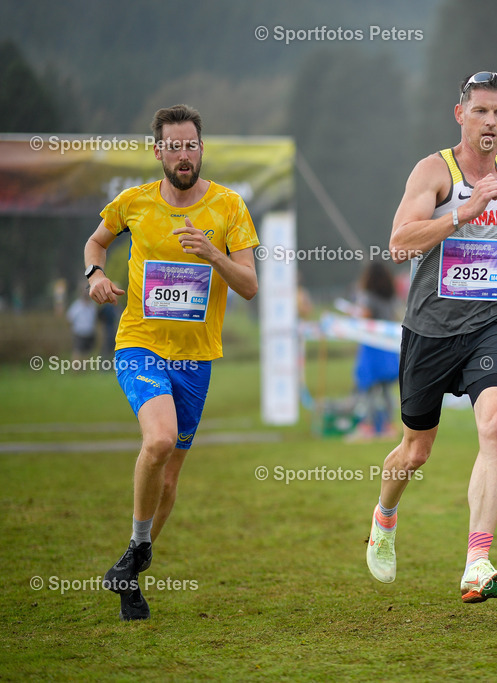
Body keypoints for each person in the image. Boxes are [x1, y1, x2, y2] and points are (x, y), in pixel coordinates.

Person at [365, 71, 497, 603]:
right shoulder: (435, 171)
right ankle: (384, 517)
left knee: (495, 428)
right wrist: (459, 214)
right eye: (480, 112)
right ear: (460, 114)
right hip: (428, 328)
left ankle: (477, 561)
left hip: (488, 323)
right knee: (415, 451)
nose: (489, 122)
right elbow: (399, 242)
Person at [86, 104, 259, 620]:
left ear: (201, 149)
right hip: (139, 343)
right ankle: (140, 553)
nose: (184, 155)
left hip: (195, 359)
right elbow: (96, 240)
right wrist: (94, 274)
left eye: (191, 145)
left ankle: (130, 569)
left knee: (168, 481)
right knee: (158, 440)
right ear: (157, 151)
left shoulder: (229, 208)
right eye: (174, 146)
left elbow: (249, 286)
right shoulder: (134, 203)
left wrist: (213, 253)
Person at [350, 262, 401, 441]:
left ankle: (369, 426)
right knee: (387, 390)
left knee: (370, 388)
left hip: (371, 347)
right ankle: (389, 427)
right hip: (387, 346)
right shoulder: (390, 296)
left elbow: (364, 316)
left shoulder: (367, 296)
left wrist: (353, 313)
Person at [66, 285, 98, 363]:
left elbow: (94, 318)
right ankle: (75, 370)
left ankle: (84, 370)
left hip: (89, 332)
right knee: (77, 352)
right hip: (79, 332)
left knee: (86, 352)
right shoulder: (77, 305)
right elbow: (69, 318)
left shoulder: (92, 305)